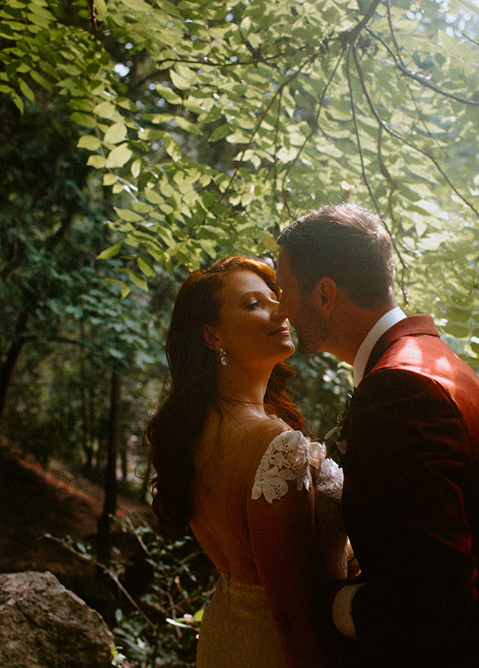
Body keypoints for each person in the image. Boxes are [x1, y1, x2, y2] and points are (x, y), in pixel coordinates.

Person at [275, 203, 479, 668]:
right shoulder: (430, 361)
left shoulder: (399, 390)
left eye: (285, 290)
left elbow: (432, 601)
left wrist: (335, 603)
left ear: (325, 294)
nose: (281, 308)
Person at [145, 256, 349, 668]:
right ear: (213, 336)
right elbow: (291, 608)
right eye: (254, 304)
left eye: (276, 297)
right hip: (280, 649)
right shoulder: (272, 441)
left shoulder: (198, 430)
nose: (281, 309)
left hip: (225, 635)